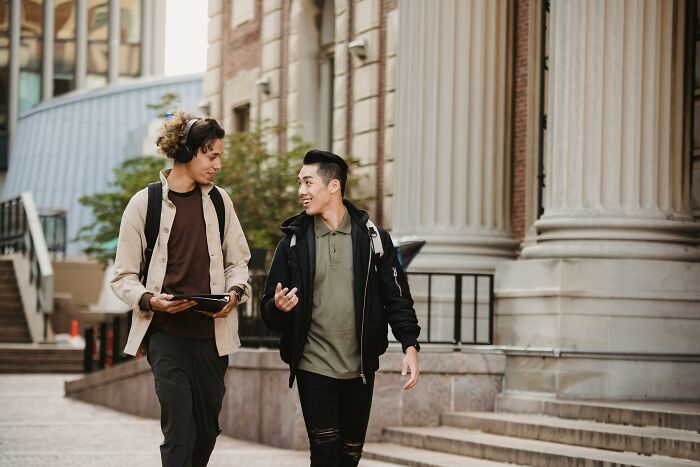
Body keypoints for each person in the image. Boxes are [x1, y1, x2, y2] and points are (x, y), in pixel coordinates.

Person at [260, 149, 421, 467]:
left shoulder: (373, 239)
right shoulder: (293, 243)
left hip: (359, 366)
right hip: (313, 364)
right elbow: (269, 311)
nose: (300, 191)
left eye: (307, 182)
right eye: (299, 183)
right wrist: (279, 307)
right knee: (324, 453)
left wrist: (410, 344)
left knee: (349, 455)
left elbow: (396, 296)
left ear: (333, 186)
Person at [110, 112, 251, 467]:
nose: (217, 164)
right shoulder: (145, 204)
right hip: (167, 337)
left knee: (205, 432)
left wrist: (233, 296)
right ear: (186, 152)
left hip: (212, 338)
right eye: (211, 155)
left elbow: (239, 262)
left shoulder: (220, 202)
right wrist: (149, 300)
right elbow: (123, 275)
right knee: (179, 434)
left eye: (219, 155)